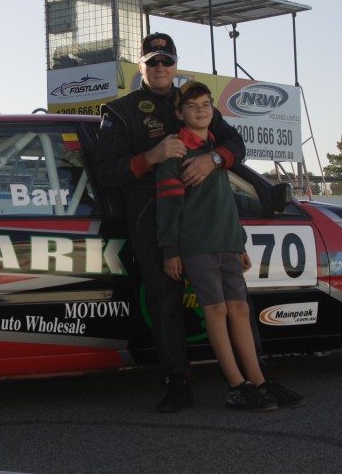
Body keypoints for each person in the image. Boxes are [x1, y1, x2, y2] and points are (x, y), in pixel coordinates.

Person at [95, 32, 303, 413]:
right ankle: (178, 380)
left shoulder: (192, 100)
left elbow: (235, 145)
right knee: (165, 300)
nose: (160, 68)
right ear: (140, 66)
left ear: (175, 65)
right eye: (152, 61)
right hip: (156, 220)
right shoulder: (121, 111)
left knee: (236, 302)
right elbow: (107, 172)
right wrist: (152, 156)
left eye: (167, 61)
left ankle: (259, 380)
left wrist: (215, 160)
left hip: (210, 223)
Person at [156, 80, 278, 410]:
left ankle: (260, 382)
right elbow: (168, 208)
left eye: (207, 105)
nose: (201, 111)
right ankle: (237, 384)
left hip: (227, 242)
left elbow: (227, 203)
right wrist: (171, 250)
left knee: (240, 309)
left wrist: (239, 243)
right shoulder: (176, 153)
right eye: (192, 106)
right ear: (180, 114)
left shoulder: (217, 154)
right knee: (217, 310)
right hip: (197, 247)